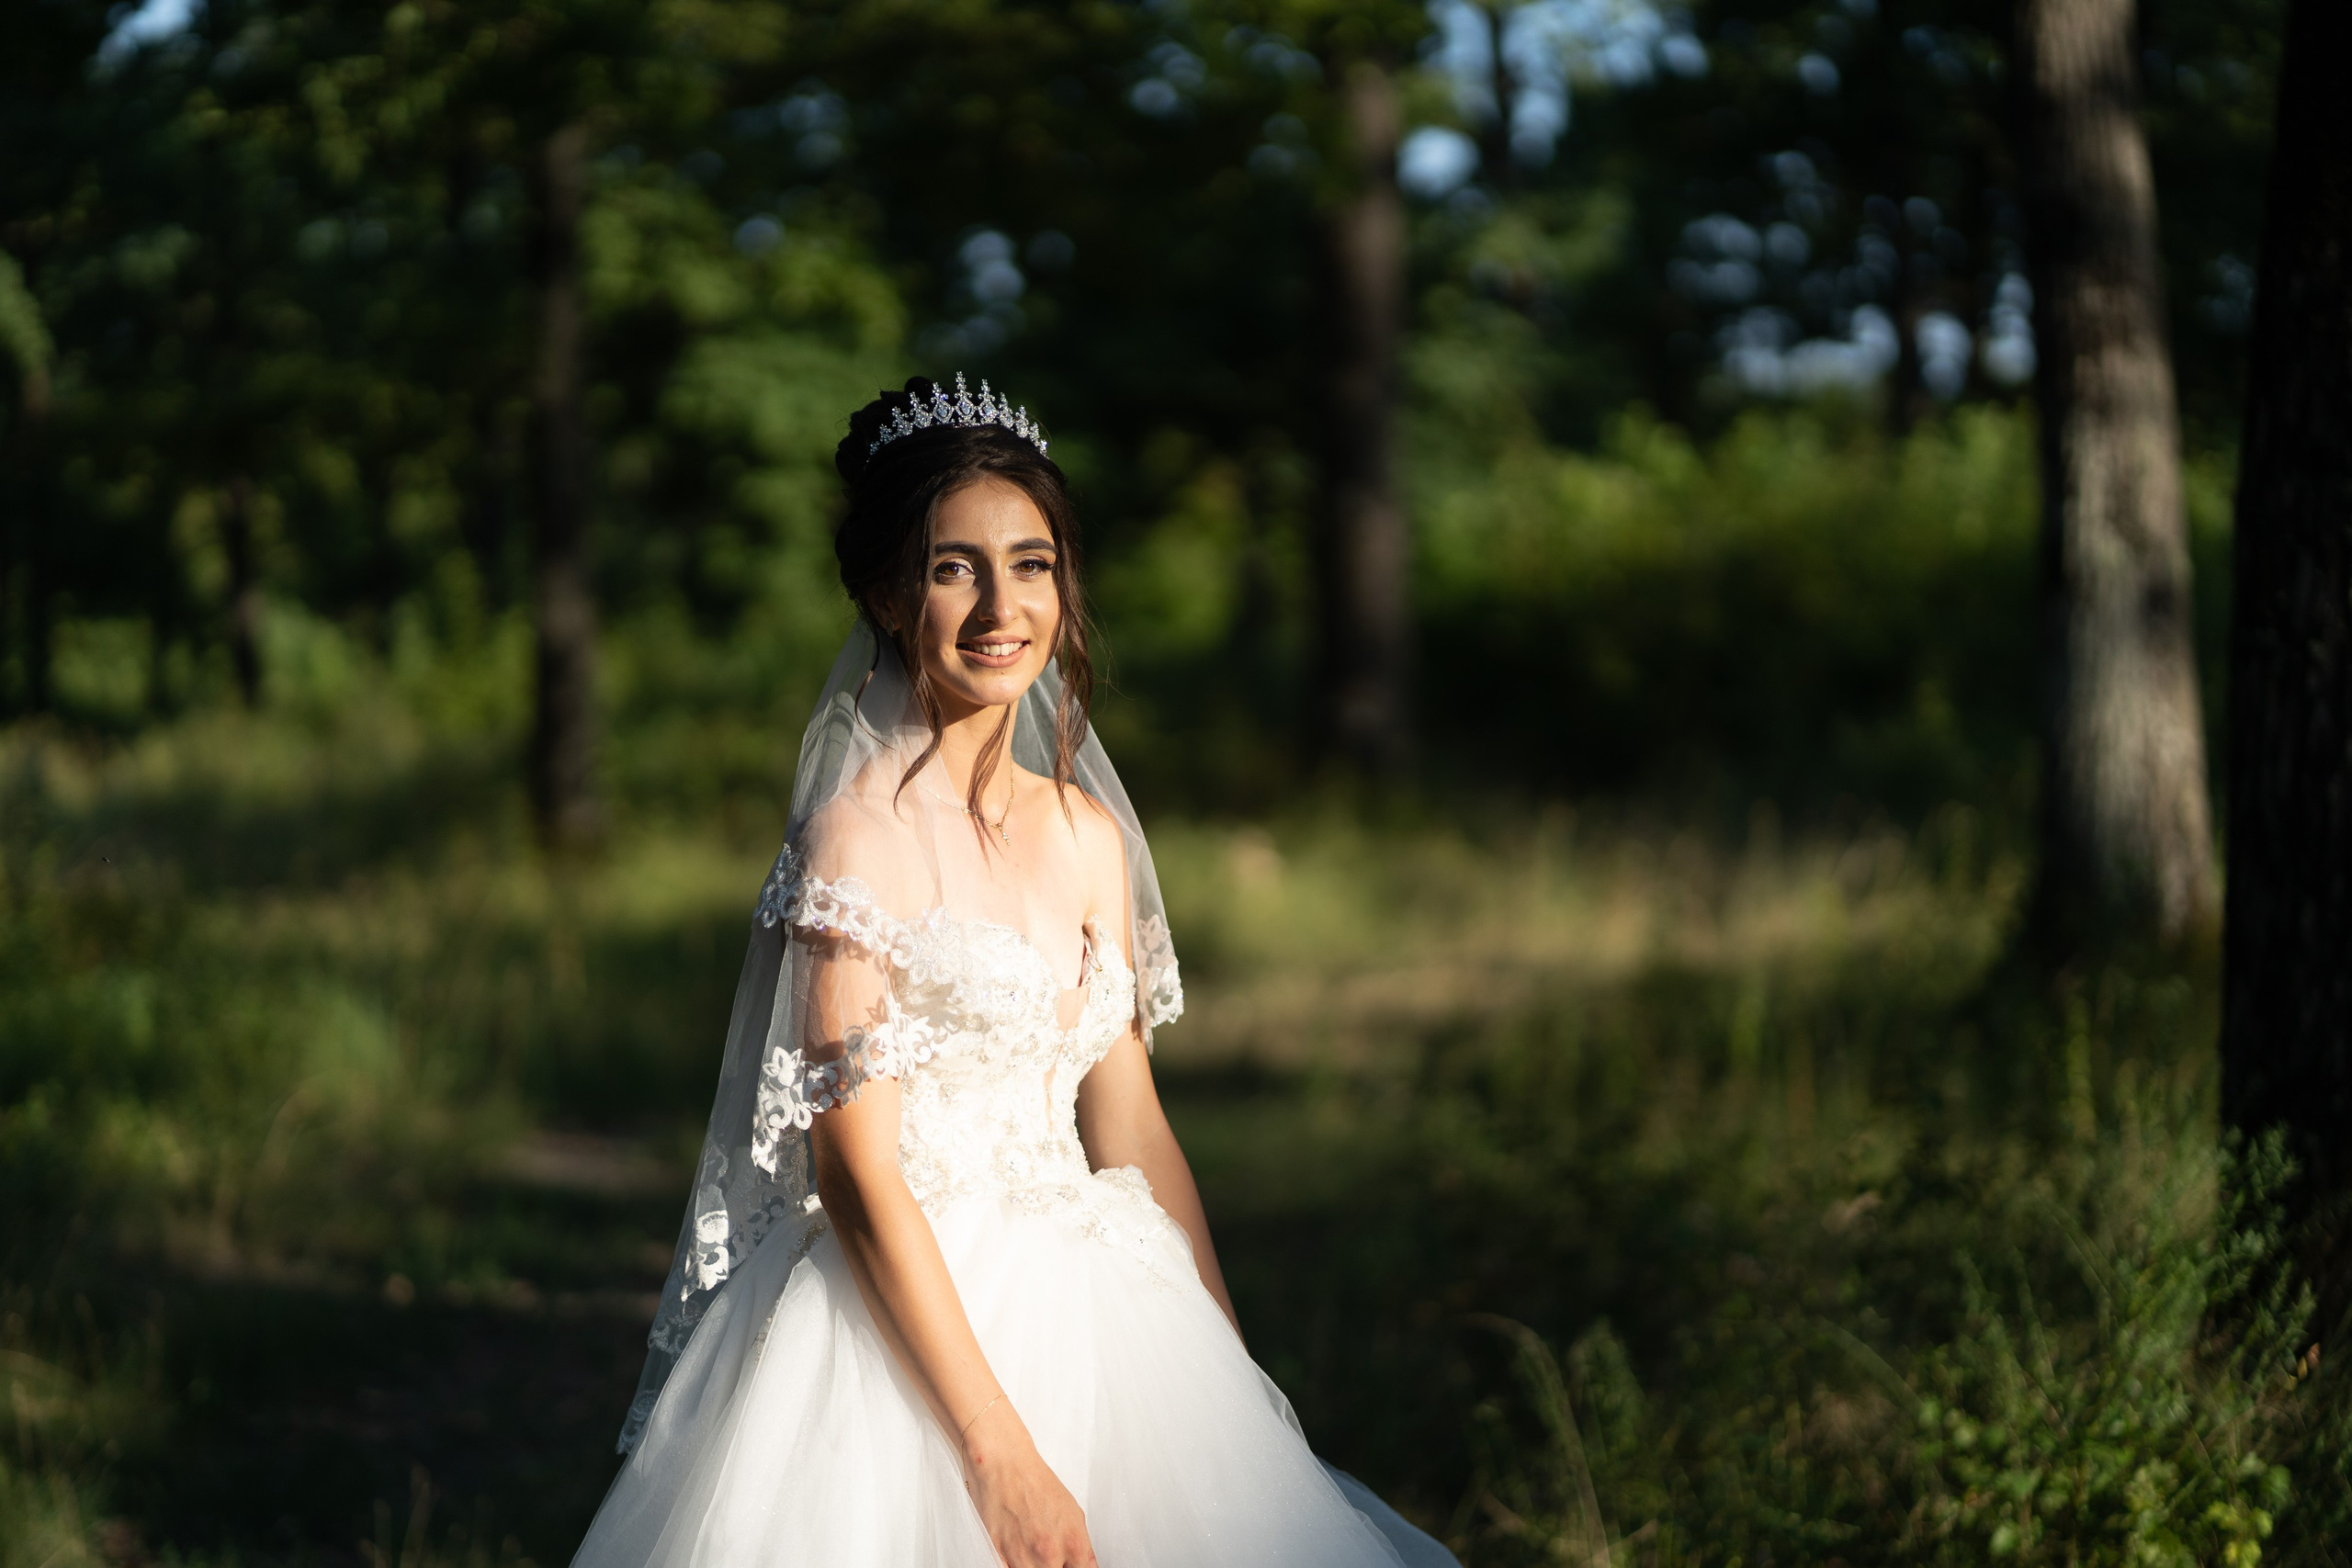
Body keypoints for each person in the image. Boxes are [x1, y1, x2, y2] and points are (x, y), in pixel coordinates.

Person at [571, 377, 1456, 1568]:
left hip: (1107, 1316)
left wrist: (1238, 1385)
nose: (1002, 605)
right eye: (953, 568)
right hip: (901, 1335)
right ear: (887, 595)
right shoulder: (857, 839)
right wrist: (996, 1453)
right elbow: (857, 1164)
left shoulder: (1091, 839)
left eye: (1032, 565)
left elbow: (1130, 1123)